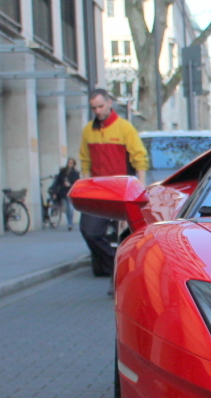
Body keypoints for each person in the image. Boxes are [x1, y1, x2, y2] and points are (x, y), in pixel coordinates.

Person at [79, 89, 148, 287]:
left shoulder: (124, 128)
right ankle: (114, 265)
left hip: (121, 191)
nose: (98, 111)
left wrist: (139, 188)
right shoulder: (87, 131)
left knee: (125, 237)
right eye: (94, 108)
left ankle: (119, 277)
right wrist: (85, 186)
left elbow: (139, 158)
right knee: (89, 231)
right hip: (97, 191)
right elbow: (85, 161)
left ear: (109, 103)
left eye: (100, 106)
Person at [50, 157, 80, 230]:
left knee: (70, 208)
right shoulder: (63, 172)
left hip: (71, 193)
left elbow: (77, 183)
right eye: (69, 162)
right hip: (63, 193)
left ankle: (70, 223)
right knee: (66, 209)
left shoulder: (76, 173)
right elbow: (57, 182)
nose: (69, 164)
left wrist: (69, 184)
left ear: (73, 164)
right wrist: (54, 191)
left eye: (71, 163)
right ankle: (69, 222)